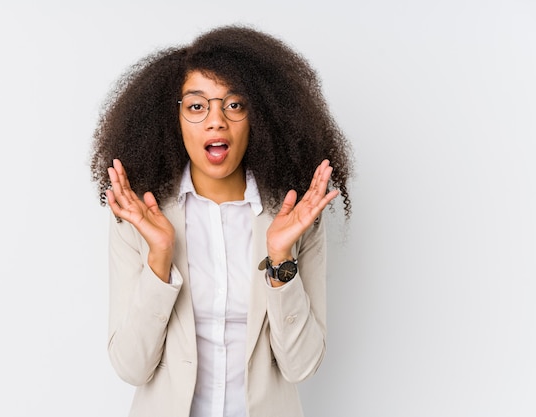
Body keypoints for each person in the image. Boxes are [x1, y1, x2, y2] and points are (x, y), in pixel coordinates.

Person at [90, 24, 353, 417]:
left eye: (234, 105)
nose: (216, 121)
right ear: (173, 118)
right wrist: (159, 257)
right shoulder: (139, 219)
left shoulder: (295, 219)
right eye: (197, 106)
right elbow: (131, 366)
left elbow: (301, 366)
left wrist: (280, 258)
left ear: (259, 116)